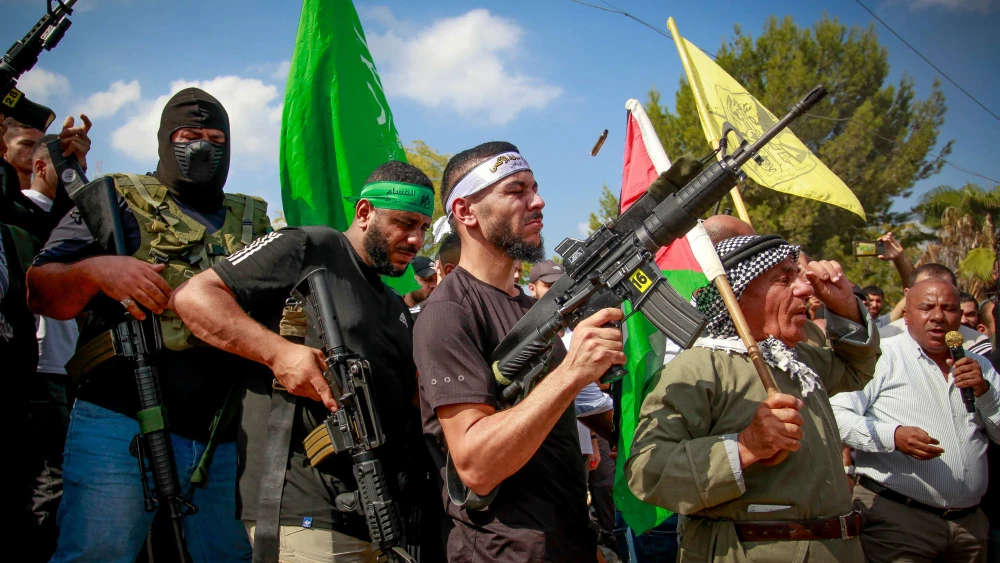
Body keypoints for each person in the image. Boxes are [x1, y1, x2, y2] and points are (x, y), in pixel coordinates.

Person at [27, 88, 269, 563]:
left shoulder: (252, 221)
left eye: (215, 137)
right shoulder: (115, 198)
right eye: (188, 135)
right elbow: (39, 287)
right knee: (98, 554)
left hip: (219, 432)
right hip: (119, 419)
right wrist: (98, 270)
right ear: (164, 140)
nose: (202, 146)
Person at [172, 159, 436, 562]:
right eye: (405, 223)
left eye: (423, 228)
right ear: (365, 213)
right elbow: (195, 297)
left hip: (381, 519)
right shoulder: (310, 246)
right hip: (303, 510)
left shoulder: (395, 307)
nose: (416, 240)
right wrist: (279, 353)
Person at [413, 141, 625, 562]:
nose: (538, 201)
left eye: (535, 188)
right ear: (466, 212)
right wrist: (570, 374)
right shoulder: (448, 312)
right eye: (516, 191)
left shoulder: (532, 310)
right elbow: (475, 464)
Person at [625, 234, 878, 562]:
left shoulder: (796, 358)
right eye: (784, 279)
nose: (804, 289)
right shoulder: (700, 366)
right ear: (737, 294)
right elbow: (648, 470)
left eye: (798, 277)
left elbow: (854, 370)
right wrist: (745, 447)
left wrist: (845, 306)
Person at [831, 278, 1000, 562]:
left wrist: (984, 392)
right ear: (906, 315)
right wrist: (893, 436)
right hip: (900, 520)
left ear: (960, 318)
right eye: (926, 308)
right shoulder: (880, 357)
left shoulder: (978, 365)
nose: (937, 316)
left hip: (969, 526)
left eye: (948, 308)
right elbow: (835, 417)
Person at [22, 134, 82, 561]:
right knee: (52, 480)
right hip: (42, 367)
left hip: (72, 367)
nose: (72, 177)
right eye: (66, 168)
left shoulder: (72, 215)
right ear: (41, 168)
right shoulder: (21, 214)